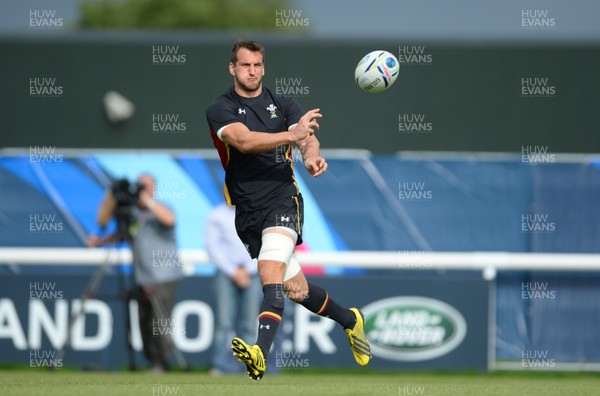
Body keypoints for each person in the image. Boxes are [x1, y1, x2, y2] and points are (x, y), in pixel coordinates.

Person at [205, 40, 371, 380]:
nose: (252, 71)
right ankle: (351, 320)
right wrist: (291, 135)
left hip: (283, 198)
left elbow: (306, 137)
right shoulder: (220, 108)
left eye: (257, 65)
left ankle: (259, 354)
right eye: (245, 65)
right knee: (297, 291)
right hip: (247, 209)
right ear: (232, 68)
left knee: (269, 272)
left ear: (263, 67)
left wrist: (310, 155)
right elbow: (245, 141)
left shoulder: (283, 103)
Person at [87, 173, 184, 372]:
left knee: (160, 321)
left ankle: (163, 362)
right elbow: (116, 230)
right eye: (140, 186)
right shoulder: (132, 214)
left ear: (154, 189)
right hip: (142, 276)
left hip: (164, 276)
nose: (143, 190)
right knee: (143, 321)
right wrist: (101, 240)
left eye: (147, 186)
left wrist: (147, 200)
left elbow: (169, 220)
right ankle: (152, 361)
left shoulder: (162, 208)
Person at [205, 202, 261, 375]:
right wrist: (234, 271)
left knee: (250, 323)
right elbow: (212, 247)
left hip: (252, 273)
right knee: (224, 322)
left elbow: (263, 243)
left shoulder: (256, 212)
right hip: (225, 275)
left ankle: (249, 366)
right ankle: (219, 366)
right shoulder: (217, 215)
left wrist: (247, 269)